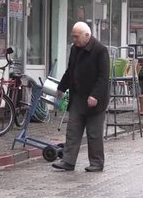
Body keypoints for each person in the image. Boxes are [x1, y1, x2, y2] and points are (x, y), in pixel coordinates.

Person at [51, 21, 110, 172]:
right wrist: (61, 87)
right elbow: (70, 70)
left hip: (95, 100)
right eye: (73, 36)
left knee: (94, 133)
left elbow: (103, 77)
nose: (74, 40)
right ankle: (68, 161)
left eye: (77, 37)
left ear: (87, 35)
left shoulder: (100, 50)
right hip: (77, 97)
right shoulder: (75, 49)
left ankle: (96, 162)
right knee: (73, 130)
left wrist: (95, 95)